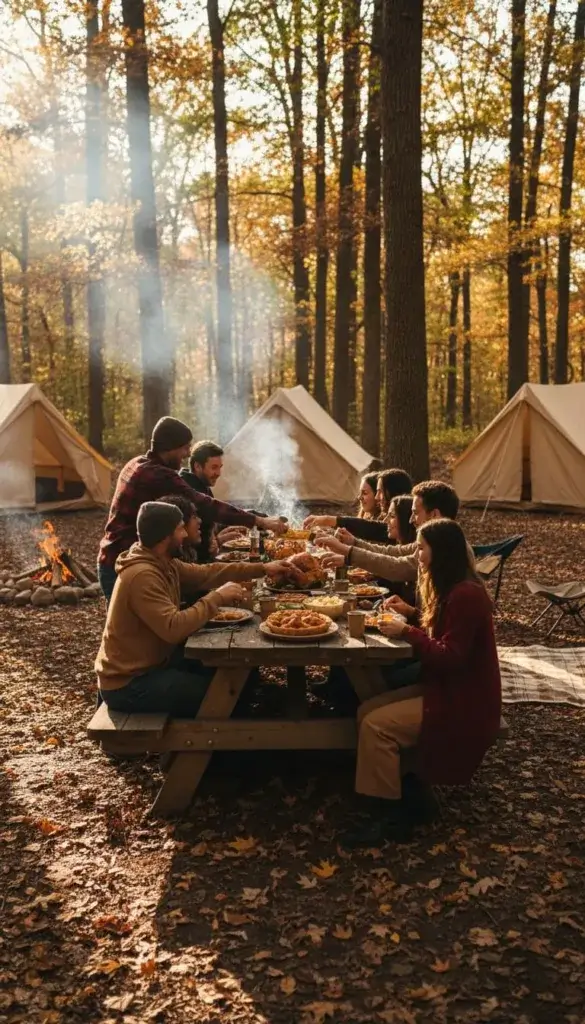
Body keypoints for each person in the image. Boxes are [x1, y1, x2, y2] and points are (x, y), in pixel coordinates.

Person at [345, 518, 502, 847]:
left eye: (421, 547)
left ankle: (391, 816)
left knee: (377, 725)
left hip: (464, 700)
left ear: (441, 551)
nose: (416, 553)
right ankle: (410, 790)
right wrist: (413, 613)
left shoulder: (467, 595)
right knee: (367, 710)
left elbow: (451, 657)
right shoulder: (451, 587)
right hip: (447, 688)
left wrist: (407, 631)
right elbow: (445, 632)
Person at [95, 501, 301, 717]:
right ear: (166, 536)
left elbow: (208, 573)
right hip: (130, 682)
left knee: (239, 677)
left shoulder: (163, 562)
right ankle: (225, 747)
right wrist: (217, 597)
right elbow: (173, 628)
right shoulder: (142, 576)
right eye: (180, 529)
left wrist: (263, 568)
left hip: (154, 665)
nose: (185, 534)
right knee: (226, 693)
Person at [98, 418, 286, 602]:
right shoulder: (156, 475)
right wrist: (260, 521)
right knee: (132, 630)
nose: (188, 453)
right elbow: (203, 504)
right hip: (123, 562)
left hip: (119, 556)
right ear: (170, 447)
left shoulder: (137, 463)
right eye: (185, 447)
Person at [318, 480, 467, 585]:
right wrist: (353, 543)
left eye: (415, 513)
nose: (410, 520)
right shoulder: (432, 540)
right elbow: (393, 552)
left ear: (434, 514)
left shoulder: (445, 547)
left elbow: (399, 567)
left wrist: (347, 552)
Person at [180, 439, 266, 559]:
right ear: (197, 466)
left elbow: (207, 529)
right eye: (214, 467)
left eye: (220, 467)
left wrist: (221, 535)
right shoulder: (190, 491)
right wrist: (218, 541)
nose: (219, 473)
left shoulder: (202, 485)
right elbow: (195, 545)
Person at [303, 468, 413, 543]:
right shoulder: (382, 520)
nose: (377, 497)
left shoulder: (404, 525)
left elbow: (376, 530)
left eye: (380, 492)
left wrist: (329, 520)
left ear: (391, 492)